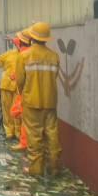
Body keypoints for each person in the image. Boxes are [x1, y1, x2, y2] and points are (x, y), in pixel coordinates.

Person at [15, 21, 60, 176]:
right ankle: (53, 169)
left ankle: (36, 172)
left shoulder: (24, 56)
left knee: (34, 139)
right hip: (50, 102)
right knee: (52, 136)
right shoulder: (54, 56)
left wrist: (24, 93)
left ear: (32, 37)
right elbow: (55, 76)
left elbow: (20, 81)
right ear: (47, 38)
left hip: (31, 102)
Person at [0, 33, 25, 140]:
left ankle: (18, 132)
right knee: (6, 110)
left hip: (18, 88)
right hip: (6, 86)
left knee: (17, 111)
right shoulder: (9, 54)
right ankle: (9, 132)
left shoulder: (26, 55)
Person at [10, 30, 32, 152]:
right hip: (45, 96)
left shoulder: (22, 55)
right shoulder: (48, 55)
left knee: (21, 116)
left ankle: (24, 143)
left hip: (26, 93)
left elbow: (19, 77)